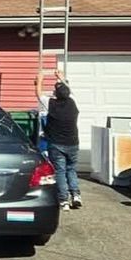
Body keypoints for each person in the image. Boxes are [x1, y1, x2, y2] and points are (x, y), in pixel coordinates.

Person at [37, 73, 82, 211]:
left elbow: (39, 94)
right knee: (71, 169)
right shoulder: (73, 102)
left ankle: (64, 200)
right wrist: (61, 77)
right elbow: (70, 90)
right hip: (73, 143)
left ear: (55, 94)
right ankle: (76, 195)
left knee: (60, 171)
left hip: (57, 144)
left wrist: (40, 79)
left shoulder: (51, 104)